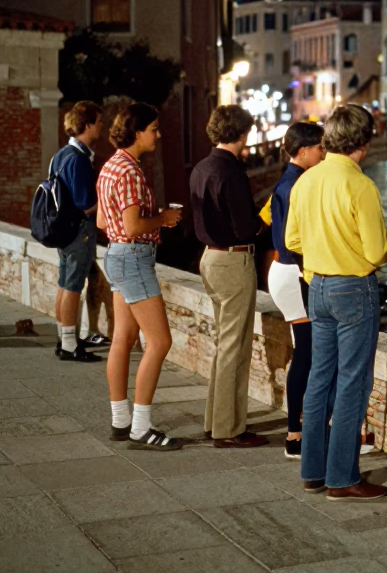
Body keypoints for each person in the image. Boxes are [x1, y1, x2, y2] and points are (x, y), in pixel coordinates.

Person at [285, 103, 387, 500]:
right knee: (352, 383)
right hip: (353, 288)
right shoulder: (360, 185)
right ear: (363, 143)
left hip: (317, 286)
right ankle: (343, 477)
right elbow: (378, 249)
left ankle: (312, 469)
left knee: (320, 377)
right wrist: (385, 249)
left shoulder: (306, 181)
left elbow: (292, 241)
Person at [95, 102, 184, 450]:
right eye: (155, 129)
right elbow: (133, 226)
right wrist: (164, 218)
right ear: (137, 131)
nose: (159, 136)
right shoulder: (130, 172)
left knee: (122, 339)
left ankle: (120, 420)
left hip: (115, 255)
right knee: (160, 341)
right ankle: (141, 428)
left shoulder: (109, 166)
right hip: (133, 257)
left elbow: (104, 222)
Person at [191, 104, 268, 449]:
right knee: (235, 349)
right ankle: (229, 430)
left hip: (209, 259)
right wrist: (266, 217)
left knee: (225, 346)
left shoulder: (201, 167)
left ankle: (216, 422)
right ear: (241, 133)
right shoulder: (232, 172)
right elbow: (245, 228)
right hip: (233, 262)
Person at [264, 121, 325, 459]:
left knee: (306, 352)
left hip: (284, 270)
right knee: (306, 353)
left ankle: (299, 429)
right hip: (293, 272)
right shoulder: (297, 184)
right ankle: (295, 435)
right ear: (304, 150)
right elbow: (295, 240)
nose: (323, 153)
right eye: (319, 148)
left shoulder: (288, 181)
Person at [53, 100, 103, 363]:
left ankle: (64, 336)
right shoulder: (80, 160)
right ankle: (70, 345)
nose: (102, 126)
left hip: (63, 230)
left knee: (64, 282)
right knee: (73, 286)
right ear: (87, 124)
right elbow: (86, 204)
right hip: (79, 231)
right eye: (99, 121)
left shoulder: (61, 154)